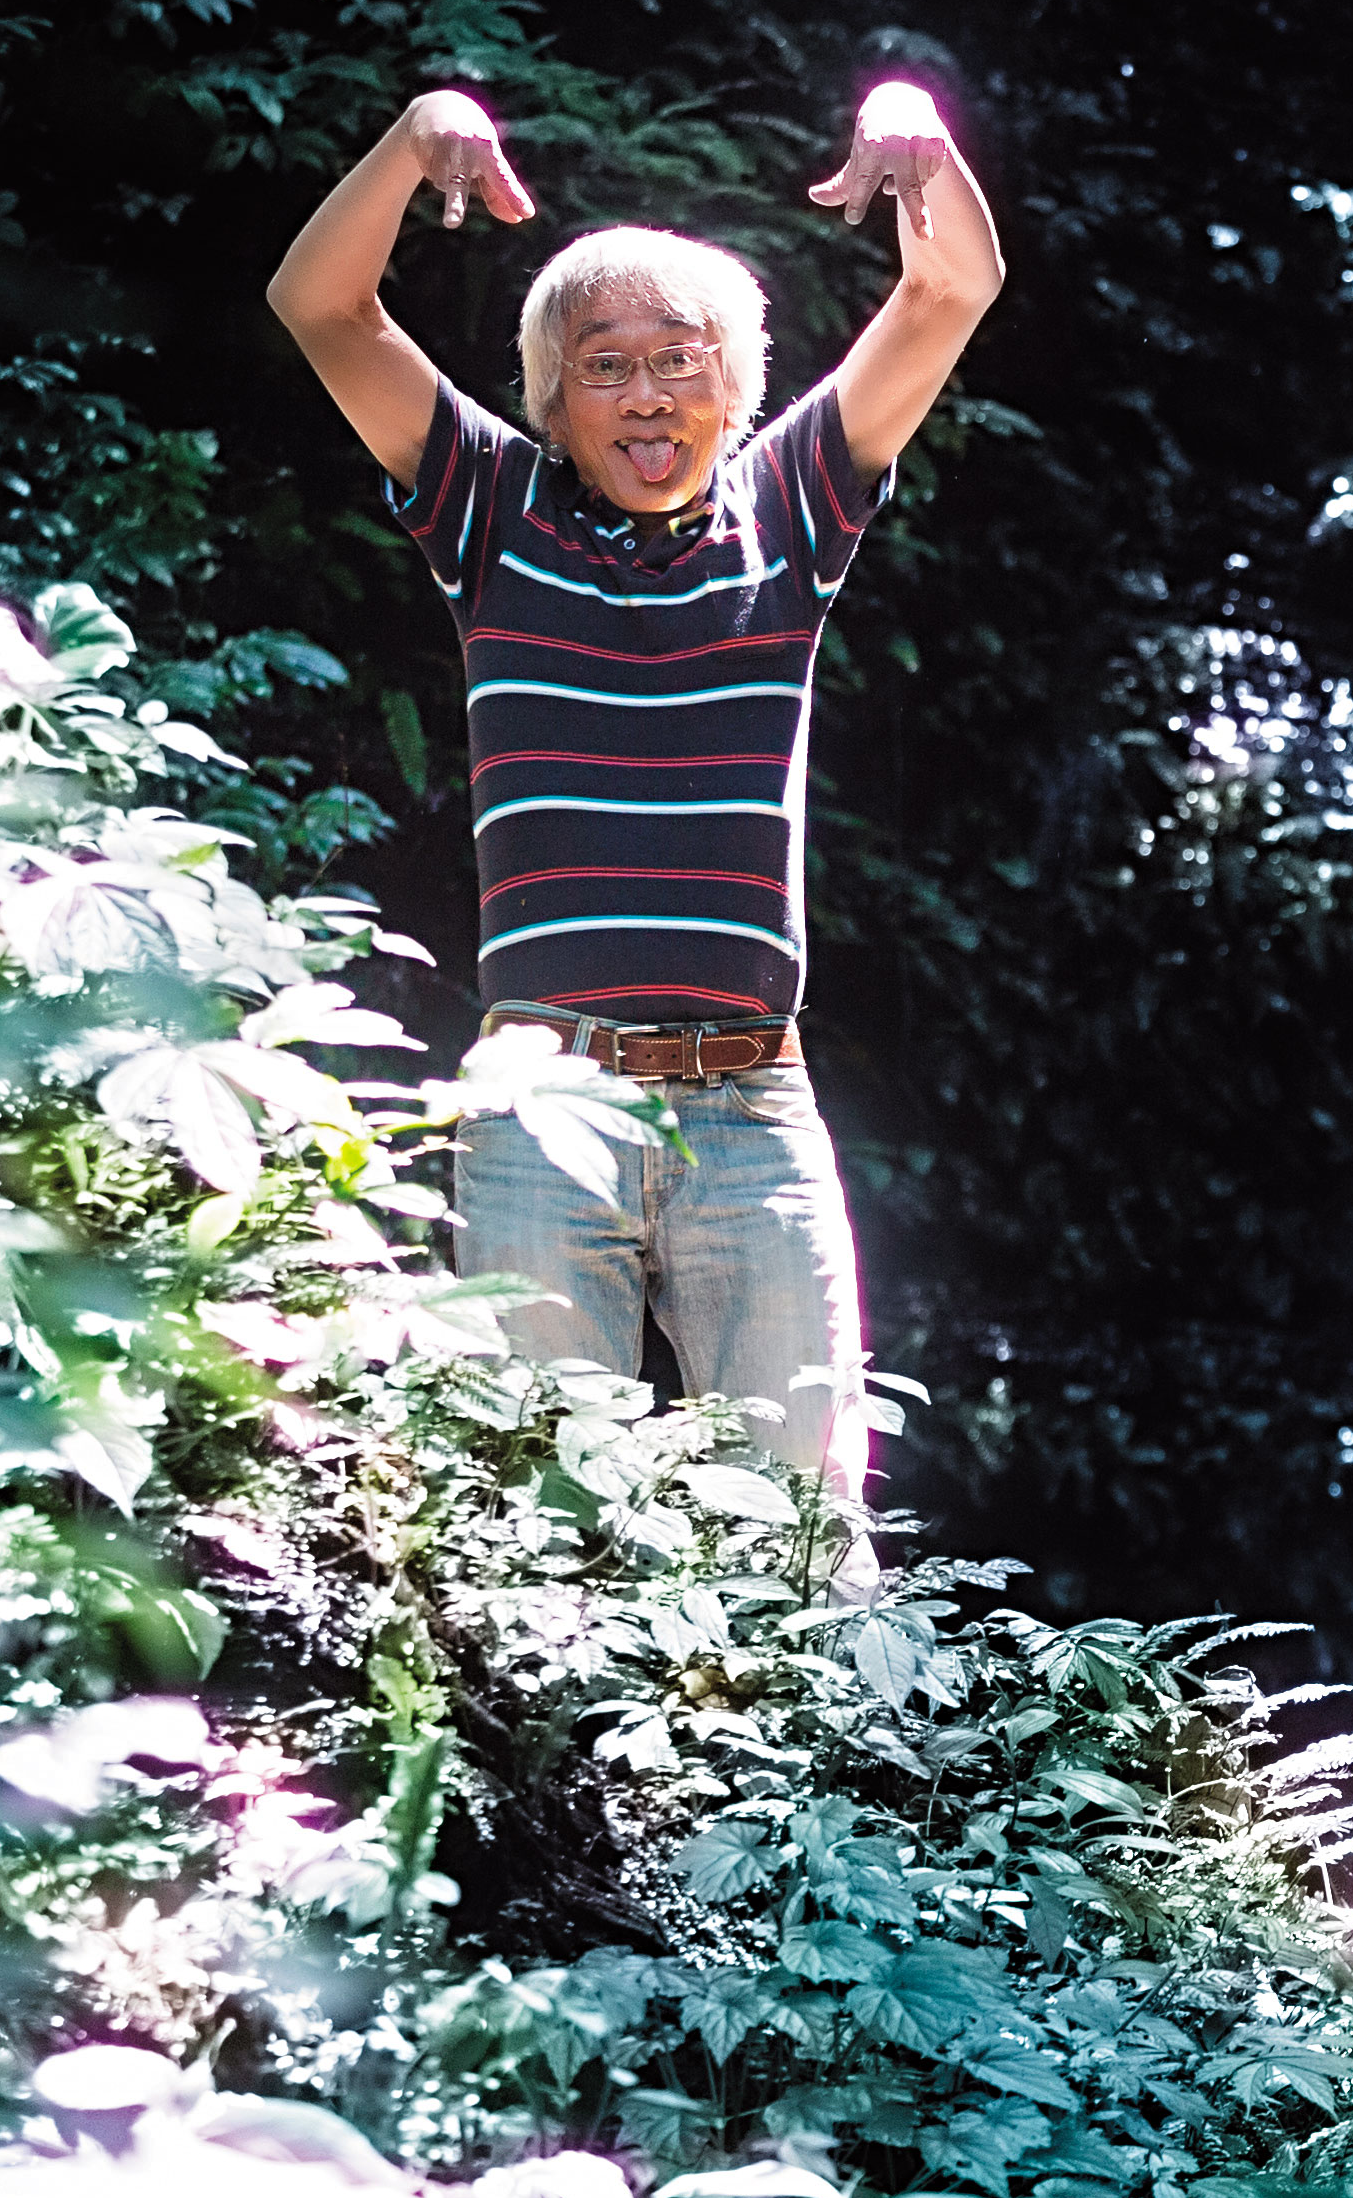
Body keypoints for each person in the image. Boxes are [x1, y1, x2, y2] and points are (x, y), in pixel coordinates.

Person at [263, 79, 999, 1543]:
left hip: (750, 1109)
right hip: (545, 1106)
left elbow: (949, 289)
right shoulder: (492, 513)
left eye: (681, 360)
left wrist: (917, 126)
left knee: (800, 1545)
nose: (648, 394)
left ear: (736, 387)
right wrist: (418, 137)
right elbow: (320, 306)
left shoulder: (787, 509)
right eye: (605, 364)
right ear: (550, 397)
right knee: (539, 1538)